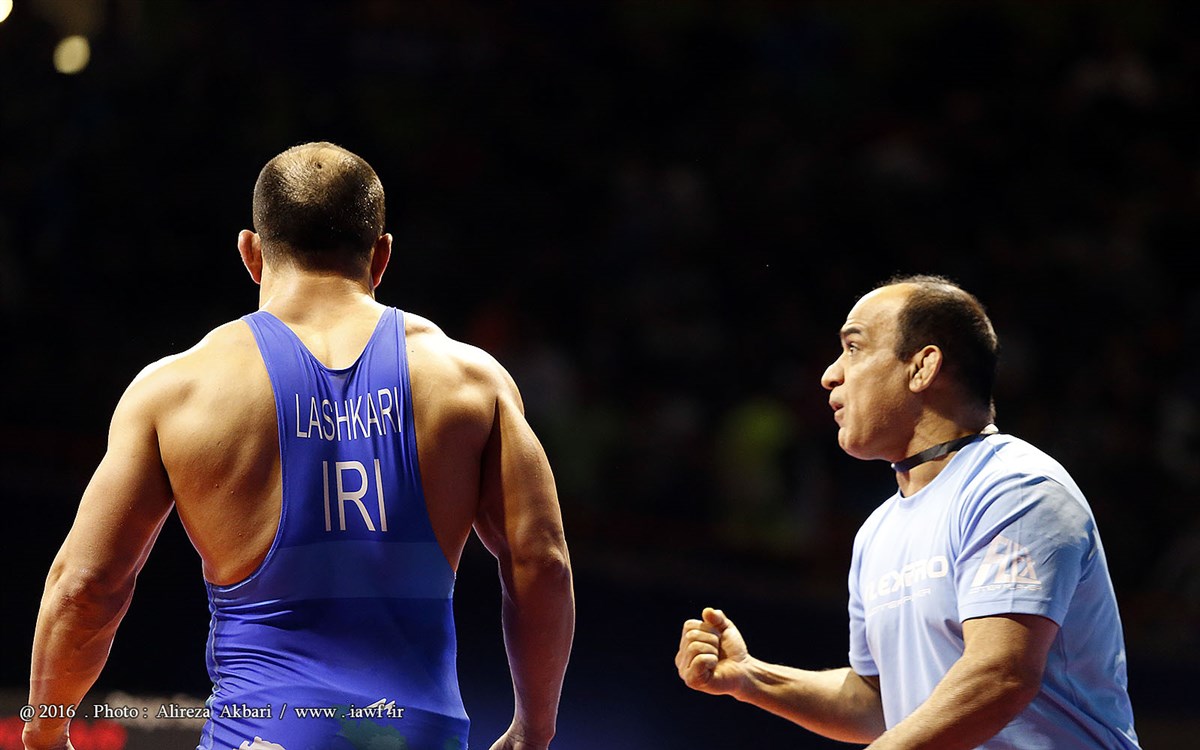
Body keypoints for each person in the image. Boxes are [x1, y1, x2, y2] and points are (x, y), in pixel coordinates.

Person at [25, 142, 575, 750]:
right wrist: (532, 730)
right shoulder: (472, 383)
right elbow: (542, 562)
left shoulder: (179, 389)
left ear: (251, 253)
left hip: (263, 731)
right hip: (417, 734)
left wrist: (46, 730)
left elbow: (86, 585)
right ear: (382, 256)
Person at [676, 275, 1139, 748]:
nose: (830, 375)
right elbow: (879, 704)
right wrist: (751, 678)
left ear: (922, 367)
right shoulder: (877, 530)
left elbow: (999, 676)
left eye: (853, 348)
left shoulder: (1015, 488)